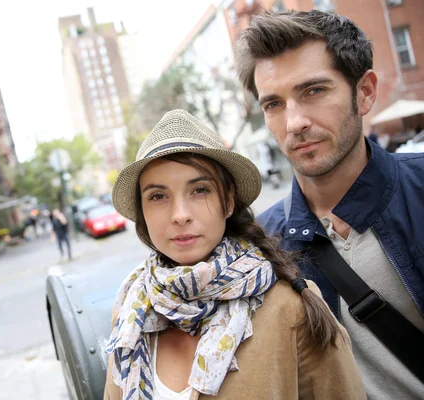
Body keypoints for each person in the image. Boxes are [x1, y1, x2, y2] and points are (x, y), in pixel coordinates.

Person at [104, 110, 365, 399]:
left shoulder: (291, 307)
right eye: (158, 196)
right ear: (143, 215)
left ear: (228, 201)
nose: (180, 215)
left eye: (199, 190)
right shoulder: (131, 308)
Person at [236, 10, 424, 399]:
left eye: (313, 91)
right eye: (274, 104)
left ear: (365, 91)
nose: (294, 123)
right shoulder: (259, 248)